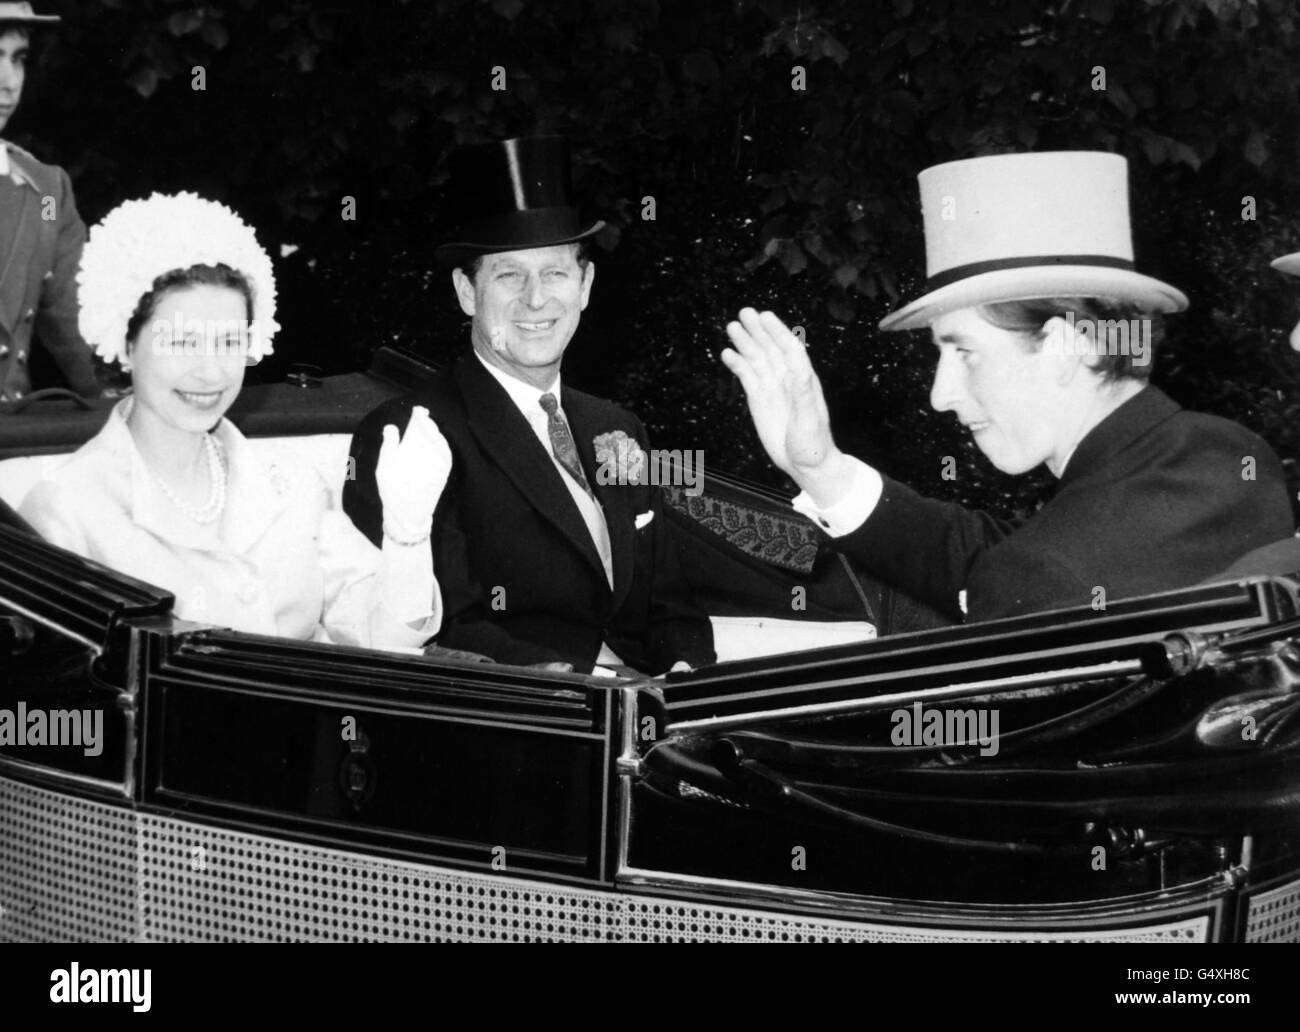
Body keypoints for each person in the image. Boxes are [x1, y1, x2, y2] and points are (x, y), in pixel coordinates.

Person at [722, 151, 1295, 623]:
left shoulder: (1043, 577)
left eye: (963, 351)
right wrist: (820, 468)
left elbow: (1026, 574)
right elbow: (1015, 558)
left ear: (1069, 345)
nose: (939, 396)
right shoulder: (1232, 456)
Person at [344, 136, 714, 674]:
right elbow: (447, 627)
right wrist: (602, 691)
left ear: (585, 285)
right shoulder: (410, 433)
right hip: (532, 718)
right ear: (468, 293)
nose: (536, 299)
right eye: (510, 275)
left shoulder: (616, 425)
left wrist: (684, 675)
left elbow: (672, 604)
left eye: (556, 273)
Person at [21, 192, 448, 649]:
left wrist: (407, 530)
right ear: (125, 345)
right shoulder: (65, 510)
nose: (209, 371)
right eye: (181, 342)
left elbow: (383, 637)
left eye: (228, 341)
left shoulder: (290, 483)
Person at [0, 2, 100, 401]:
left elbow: (75, 322)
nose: (8, 81)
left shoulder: (45, 191)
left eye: (18, 59)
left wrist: (120, 403)